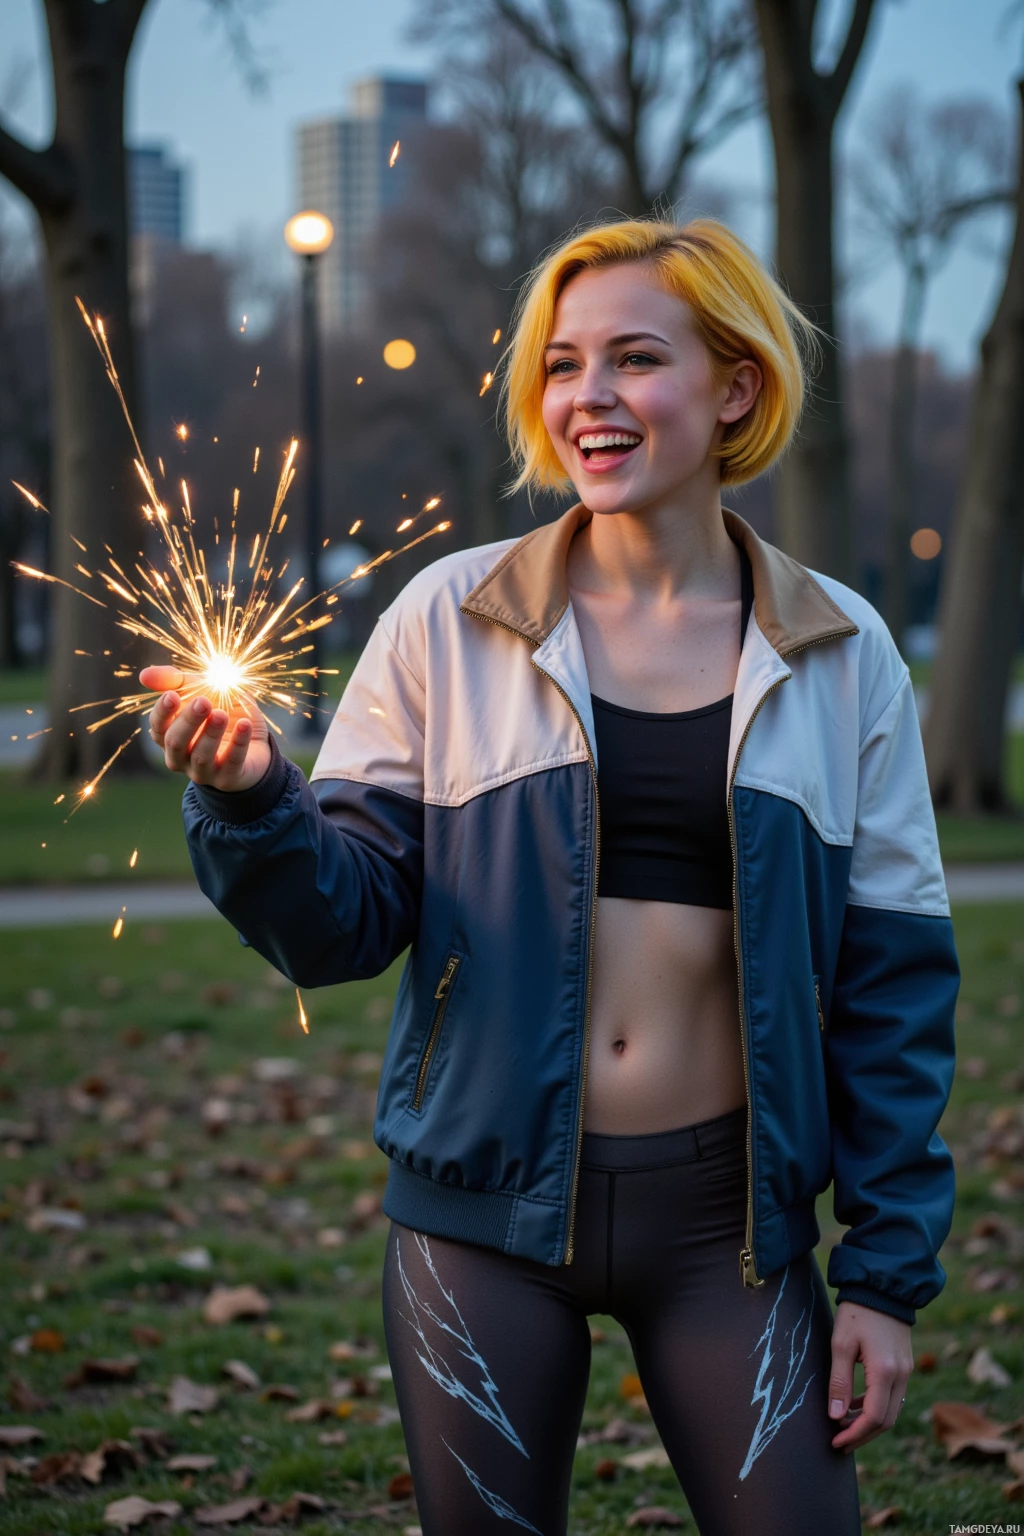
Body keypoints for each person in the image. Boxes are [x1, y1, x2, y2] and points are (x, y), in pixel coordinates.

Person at [141, 218, 958, 1536]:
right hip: (477, 1224)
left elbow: (895, 989)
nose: (591, 395)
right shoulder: (444, 620)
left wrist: (886, 1275)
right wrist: (250, 801)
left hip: (728, 1232)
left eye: (637, 358)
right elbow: (337, 925)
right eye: (565, 363)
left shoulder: (842, 647)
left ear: (735, 384)